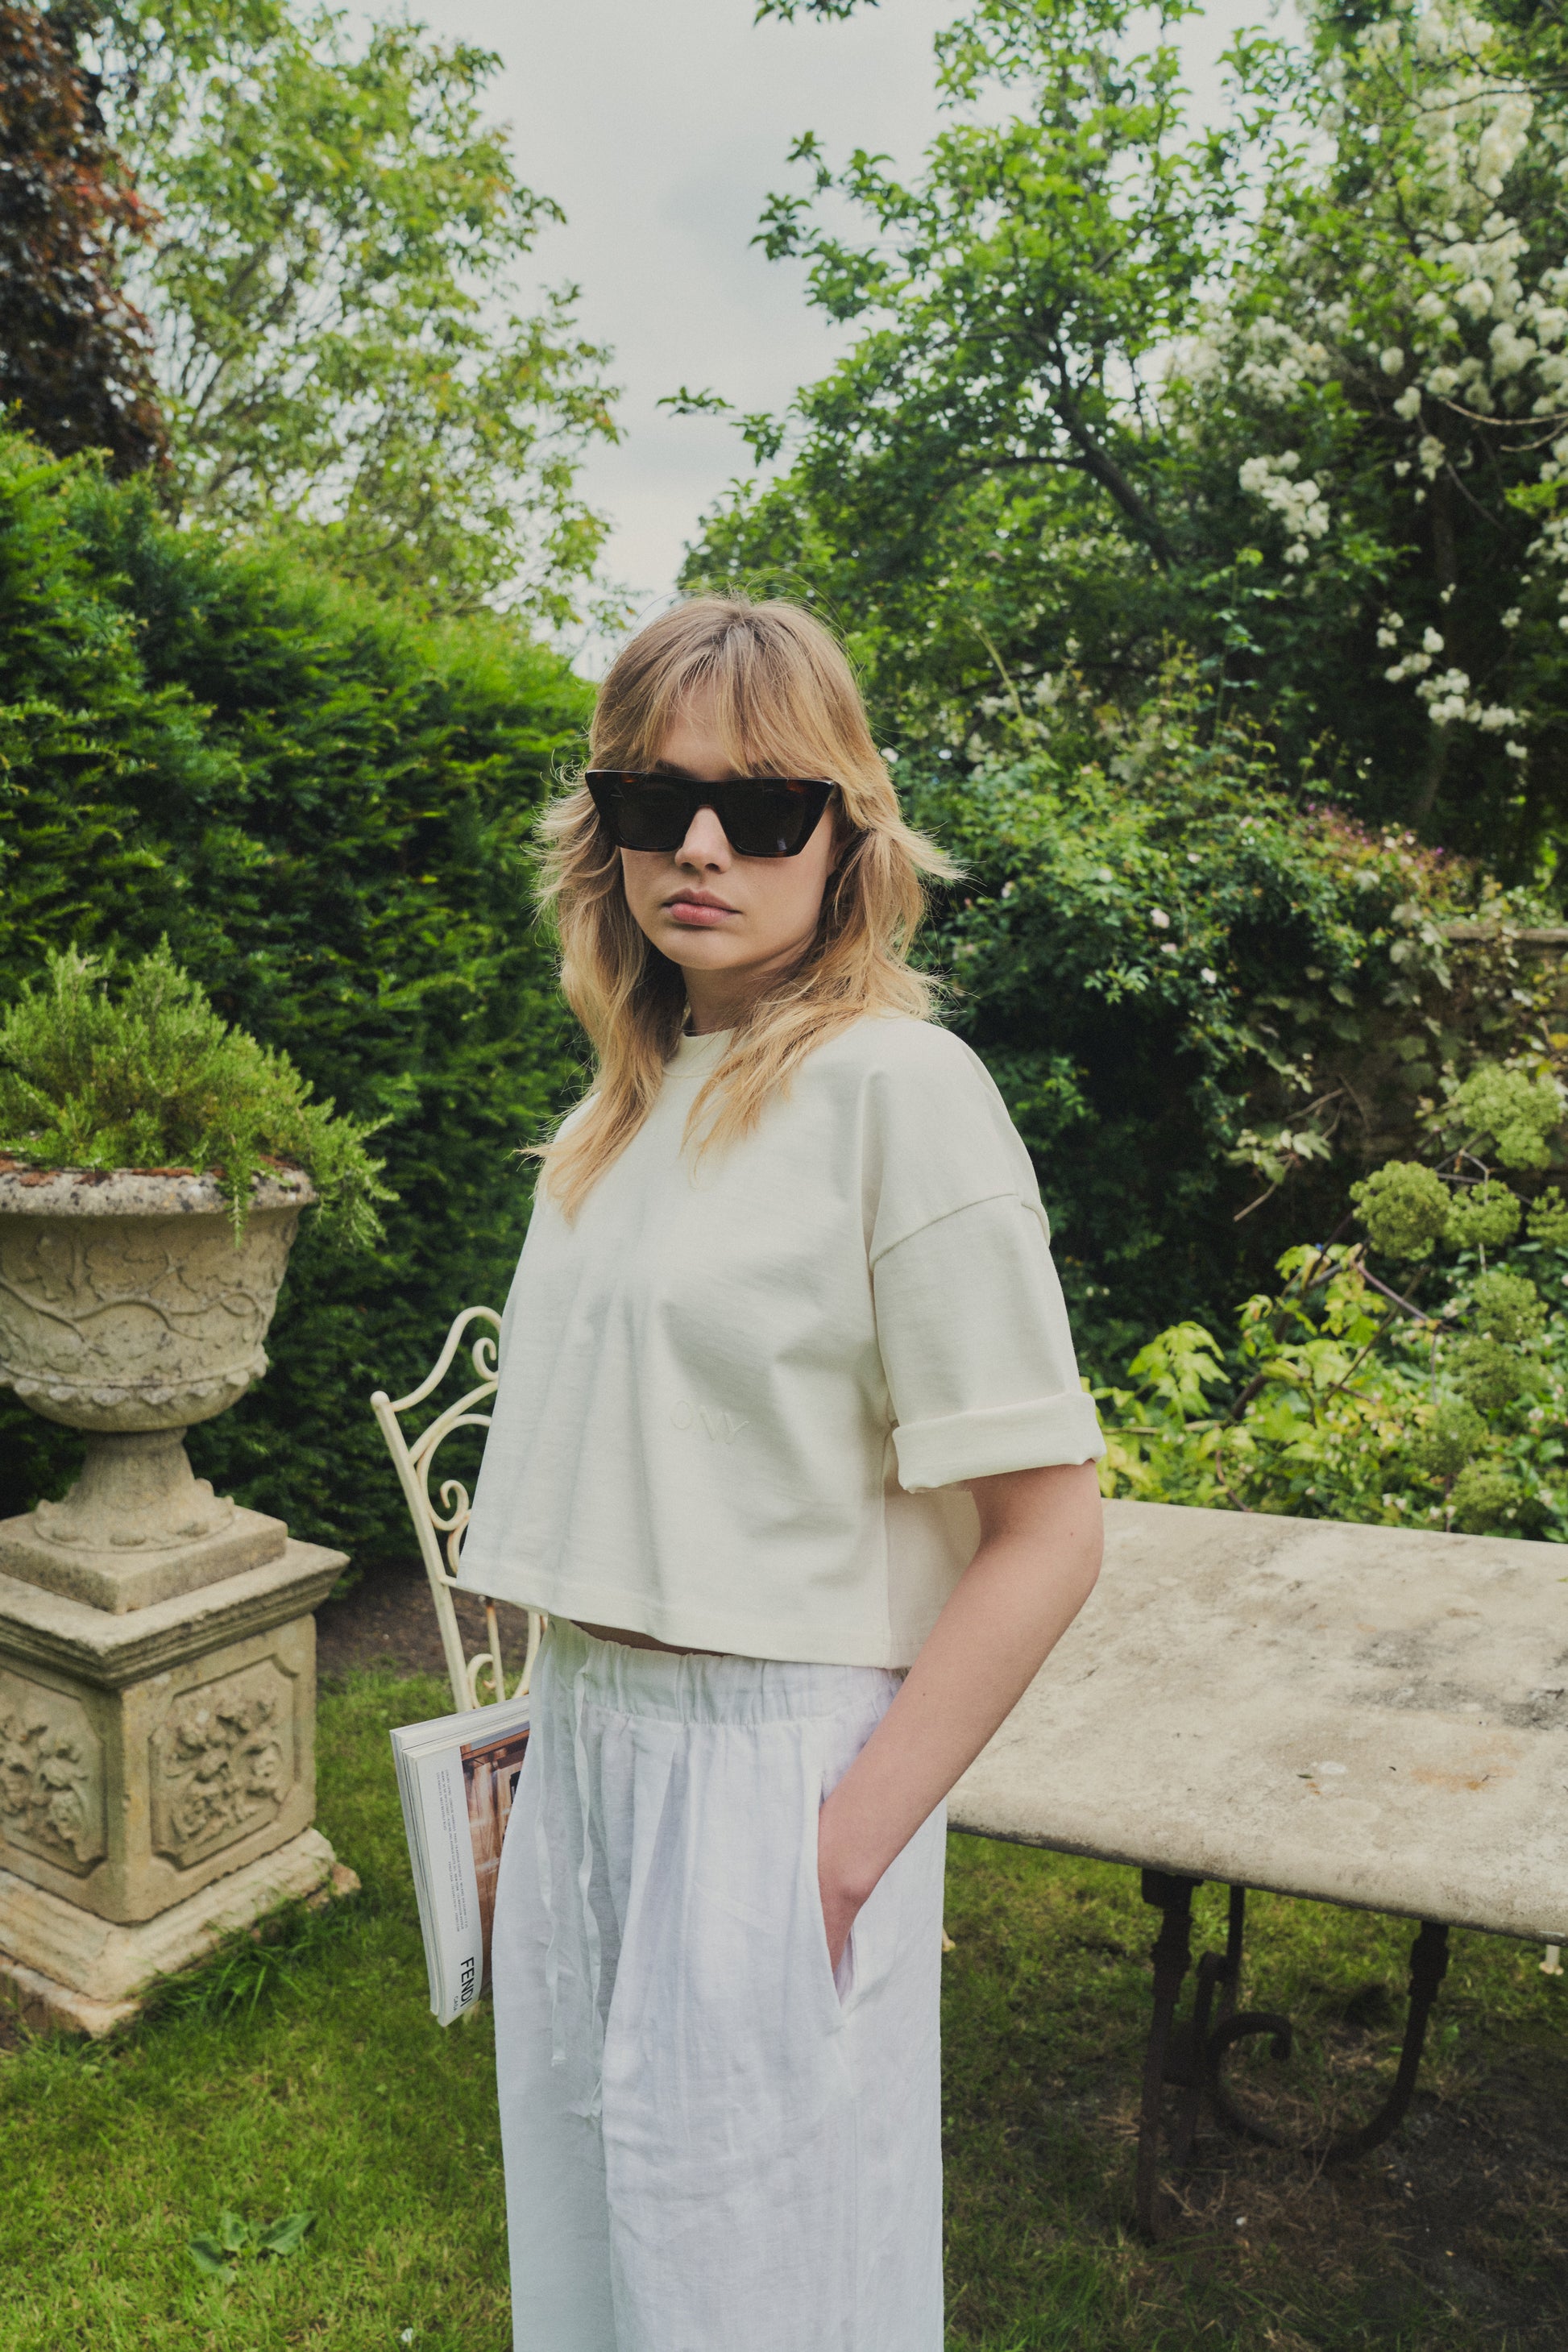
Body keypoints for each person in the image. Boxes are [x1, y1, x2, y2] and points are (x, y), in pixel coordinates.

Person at [454, 594, 1105, 2352]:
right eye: (652, 803)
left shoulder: (905, 1089)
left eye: (763, 805)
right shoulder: (620, 1100)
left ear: (848, 832)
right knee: (600, 2254)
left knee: (761, 2290)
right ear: (605, 833)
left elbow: (1047, 1528)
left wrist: (835, 1850)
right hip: (591, 1743)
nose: (704, 847)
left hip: (775, 1775)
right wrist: (543, 1752)